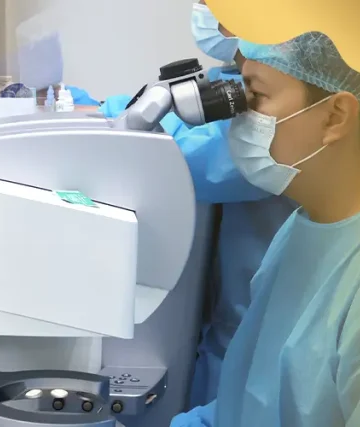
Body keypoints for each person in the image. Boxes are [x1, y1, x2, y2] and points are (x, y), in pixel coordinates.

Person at [172, 31, 360, 426]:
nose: (237, 117)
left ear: (336, 117)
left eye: (256, 98)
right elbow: (244, 411)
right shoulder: (309, 223)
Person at [70, 0, 299, 407]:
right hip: (235, 324)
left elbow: (194, 157)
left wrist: (108, 118)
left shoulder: (290, 103)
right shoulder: (252, 74)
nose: (204, 11)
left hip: (259, 334)